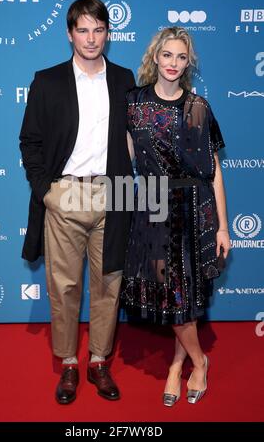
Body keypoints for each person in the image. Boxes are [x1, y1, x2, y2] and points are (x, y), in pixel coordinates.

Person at [19, 0, 135, 404]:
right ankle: (69, 363)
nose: (91, 38)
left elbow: (135, 140)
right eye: (83, 30)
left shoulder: (124, 80)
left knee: (109, 283)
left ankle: (99, 360)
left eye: (98, 30)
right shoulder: (47, 81)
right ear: (70, 34)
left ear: (108, 33)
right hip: (64, 193)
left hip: (113, 192)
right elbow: (29, 141)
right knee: (64, 286)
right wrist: (46, 191)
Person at [121, 27, 231, 406]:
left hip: (194, 208)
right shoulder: (133, 104)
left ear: (188, 62)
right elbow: (125, 159)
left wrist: (224, 226)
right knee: (171, 296)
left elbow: (214, 171)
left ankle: (180, 365)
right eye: (167, 55)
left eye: (181, 57)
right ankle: (199, 360)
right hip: (153, 208)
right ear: (155, 57)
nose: (173, 63)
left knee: (183, 298)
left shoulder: (199, 107)